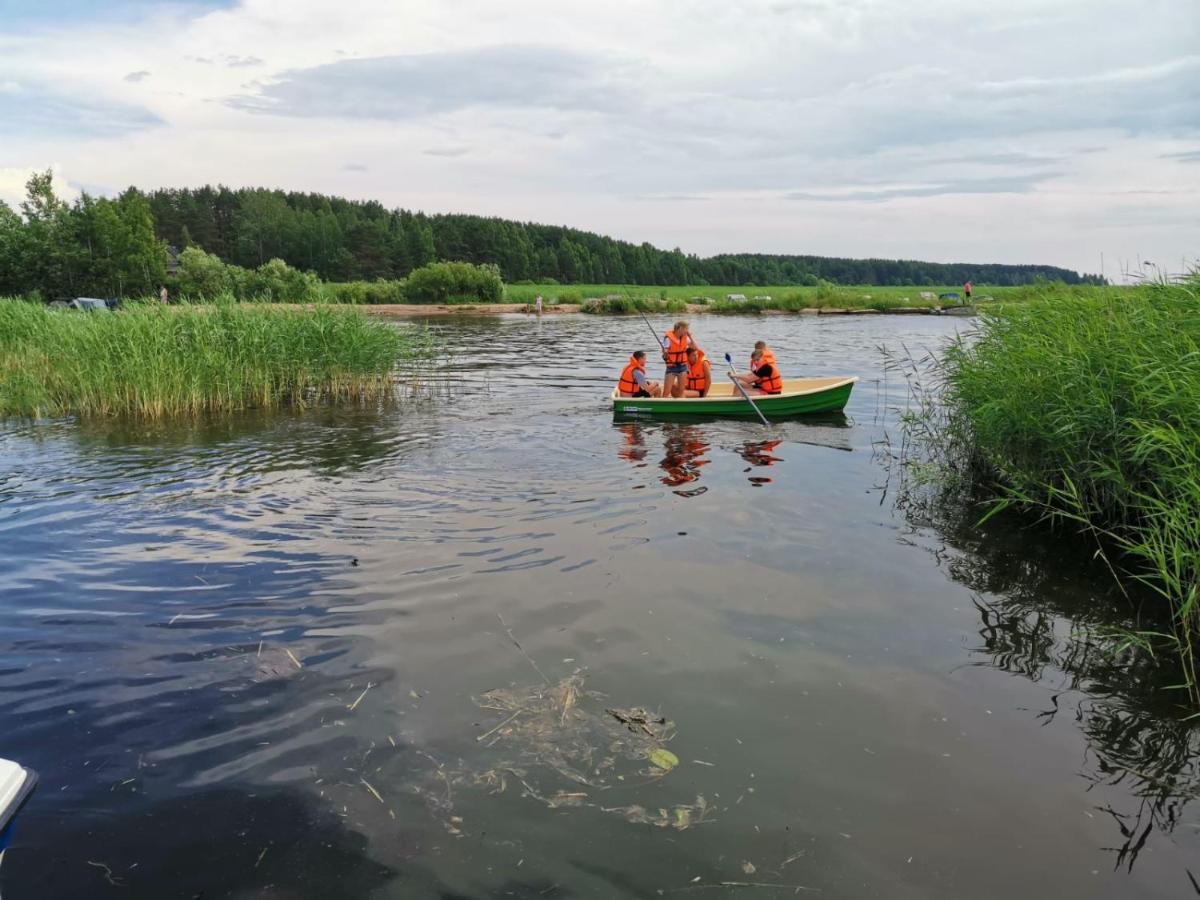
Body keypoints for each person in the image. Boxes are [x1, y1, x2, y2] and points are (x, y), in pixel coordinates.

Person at [660, 320, 694, 398]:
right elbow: (664, 356)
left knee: (681, 391)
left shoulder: (685, 338)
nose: (687, 331)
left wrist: (690, 337)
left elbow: (695, 347)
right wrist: (665, 353)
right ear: (680, 328)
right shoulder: (668, 339)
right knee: (666, 392)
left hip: (683, 367)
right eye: (686, 328)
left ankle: (682, 407)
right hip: (672, 367)